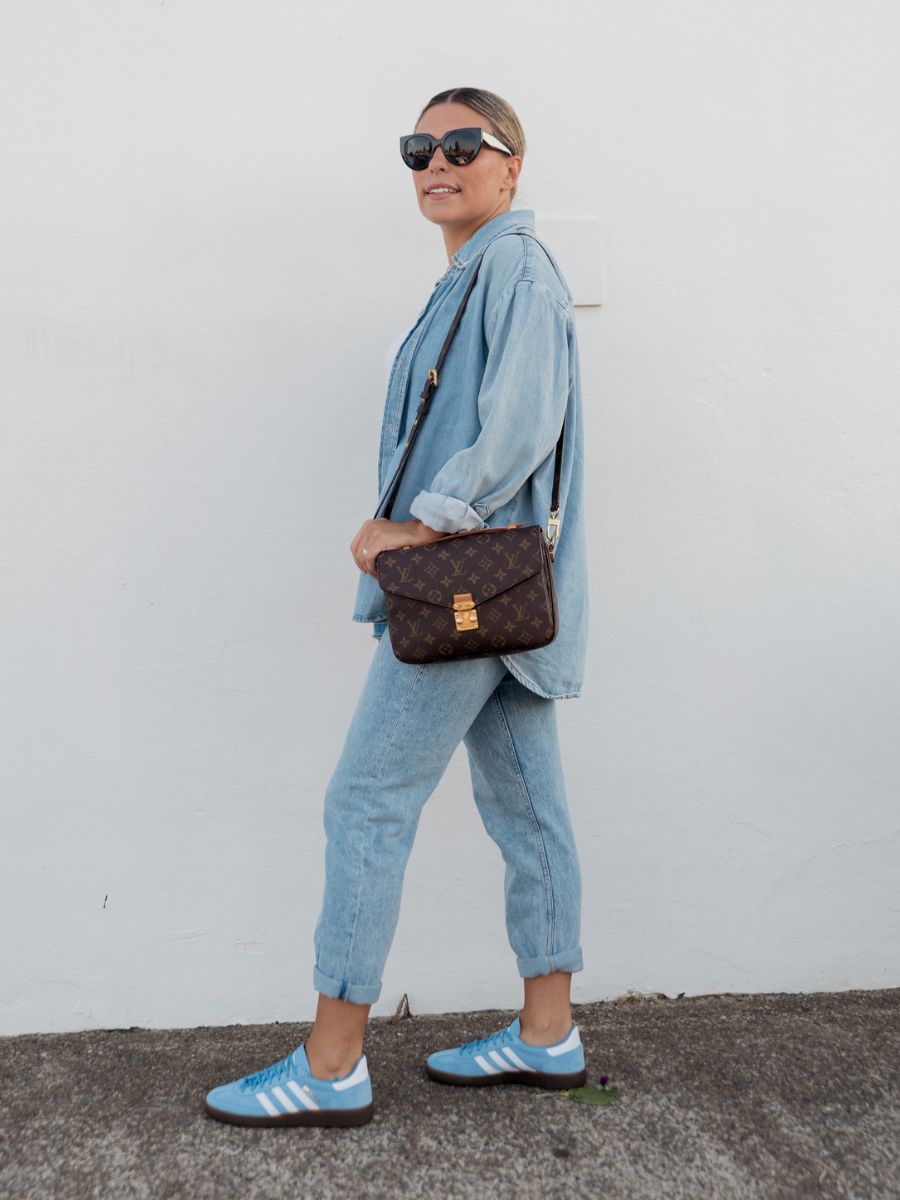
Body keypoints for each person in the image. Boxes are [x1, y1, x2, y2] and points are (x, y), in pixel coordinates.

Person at [204, 86, 590, 1128]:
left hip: (466, 585)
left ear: (513, 168)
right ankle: (549, 1034)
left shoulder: (511, 266)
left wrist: (418, 529)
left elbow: (523, 421)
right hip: (504, 599)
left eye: (465, 143)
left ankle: (330, 1064)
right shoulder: (475, 273)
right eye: (421, 145)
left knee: (365, 802)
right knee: (527, 811)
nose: (437, 159)